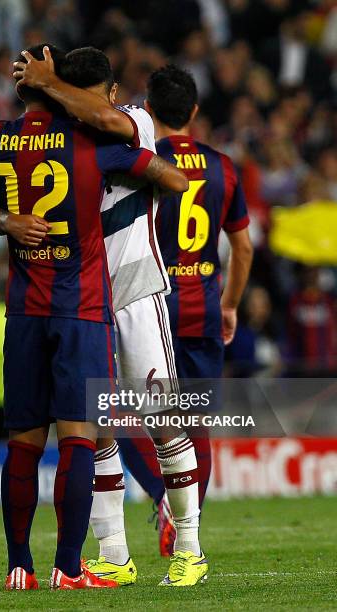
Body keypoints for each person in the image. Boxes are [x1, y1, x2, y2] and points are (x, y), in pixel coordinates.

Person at [0, 46, 208, 588]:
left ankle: (190, 548)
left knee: (163, 424)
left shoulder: (129, 120)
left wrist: (47, 84)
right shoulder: (62, 135)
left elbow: (106, 119)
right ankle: (112, 553)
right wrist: (6, 218)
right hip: (78, 302)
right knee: (96, 431)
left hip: (132, 294)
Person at [115, 64, 253, 573]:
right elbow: (242, 246)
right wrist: (231, 304)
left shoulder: (141, 160)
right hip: (202, 309)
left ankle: (159, 494)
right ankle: (186, 514)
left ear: (148, 110)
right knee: (197, 427)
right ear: (194, 112)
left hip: (149, 305)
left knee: (125, 414)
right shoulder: (224, 166)